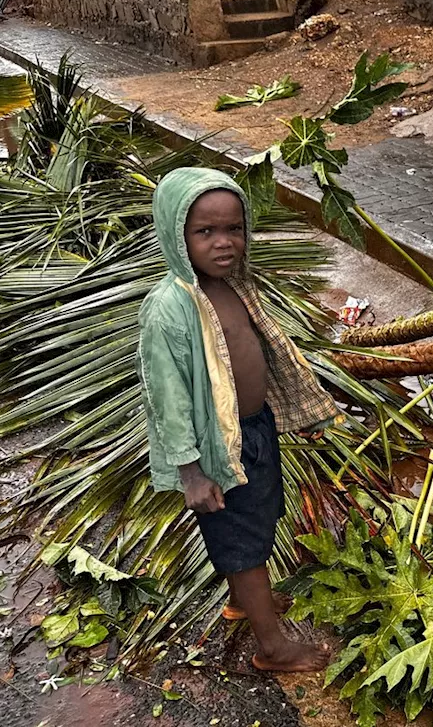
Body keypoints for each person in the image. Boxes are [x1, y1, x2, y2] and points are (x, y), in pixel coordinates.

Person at [138, 168, 339, 673]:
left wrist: (300, 408)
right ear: (176, 235)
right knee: (241, 538)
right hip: (215, 449)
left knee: (259, 520)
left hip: (254, 430)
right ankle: (271, 648)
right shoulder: (169, 308)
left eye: (234, 229)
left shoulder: (234, 286)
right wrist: (191, 471)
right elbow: (168, 397)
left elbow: (267, 352)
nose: (224, 243)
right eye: (206, 232)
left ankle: (244, 603)